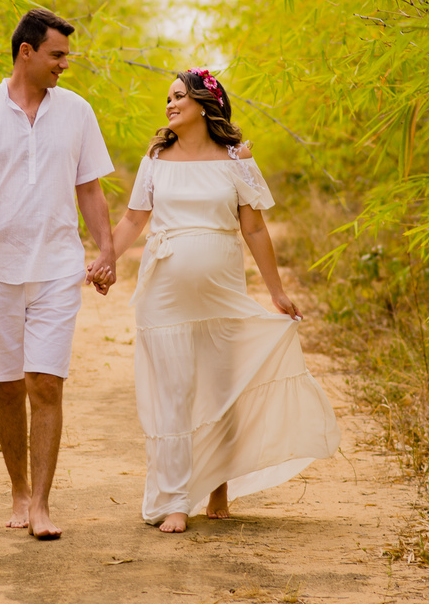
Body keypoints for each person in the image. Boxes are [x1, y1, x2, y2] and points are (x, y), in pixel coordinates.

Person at [107, 69, 341, 533]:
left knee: (221, 390)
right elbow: (134, 221)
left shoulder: (236, 158)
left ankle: (218, 483)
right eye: (167, 98)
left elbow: (253, 228)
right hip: (165, 294)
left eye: (178, 97)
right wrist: (103, 260)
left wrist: (277, 291)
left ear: (203, 104)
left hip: (221, 291)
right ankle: (175, 500)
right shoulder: (155, 158)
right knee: (172, 393)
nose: (170, 104)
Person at [0, 8, 116, 539]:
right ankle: (17, 489)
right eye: (58, 54)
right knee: (8, 384)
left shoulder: (78, 112)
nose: (65, 64)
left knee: (46, 382)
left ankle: (41, 504)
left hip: (59, 268)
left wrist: (106, 250)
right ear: (27, 52)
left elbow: (90, 188)